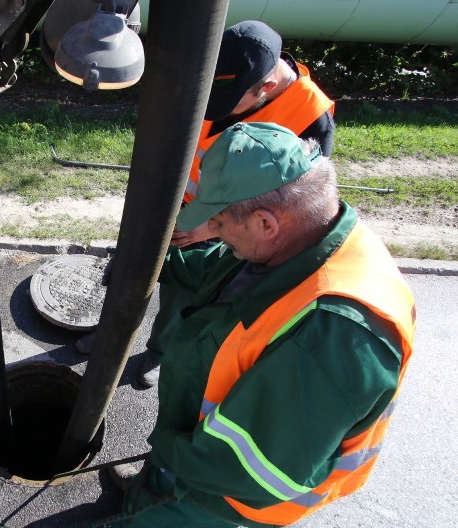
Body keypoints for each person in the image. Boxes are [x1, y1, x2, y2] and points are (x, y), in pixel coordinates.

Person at [80, 122, 415, 528]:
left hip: (232, 486)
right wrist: (150, 264)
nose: (213, 230)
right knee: (164, 478)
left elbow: (245, 470)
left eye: (219, 220)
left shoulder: (332, 340)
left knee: (166, 515)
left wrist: (167, 447)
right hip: (196, 447)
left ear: (265, 222)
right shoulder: (308, 240)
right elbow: (227, 277)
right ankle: (149, 485)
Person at [76, 20, 336, 389]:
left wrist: (209, 225)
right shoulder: (218, 67)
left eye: (229, 104)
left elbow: (288, 202)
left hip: (223, 221)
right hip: (166, 203)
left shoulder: (311, 118)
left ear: (266, 87)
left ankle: (159, 352)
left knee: (182, 292)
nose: (215, 111)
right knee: (129, 270)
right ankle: (110, 339)